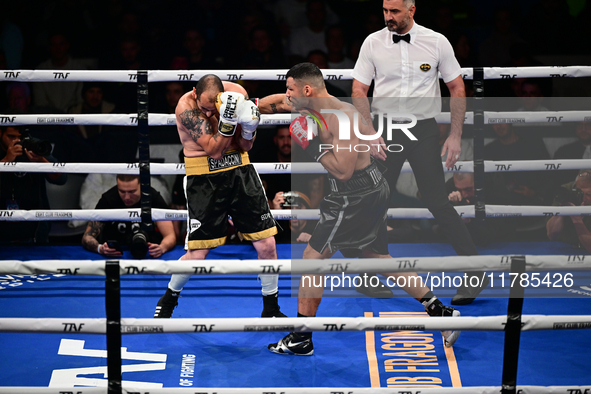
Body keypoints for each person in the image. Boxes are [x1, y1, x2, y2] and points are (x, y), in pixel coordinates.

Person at [259, 62, 460, 356]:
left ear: (307, 90)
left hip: (354, 194)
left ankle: (301, 338)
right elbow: (273, 103)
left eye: (291, 90)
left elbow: (343, 172)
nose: (287, 96)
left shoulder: (341, 117)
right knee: (376, 256)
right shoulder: (308, 104)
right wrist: (249, 106)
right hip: (369, 189)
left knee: (312, 258)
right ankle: (440, 312)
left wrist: (311, 144)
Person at [350, 0, 486, 305]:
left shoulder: (436, 42)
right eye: (385, 11)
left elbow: (457, 87)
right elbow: (359, 89)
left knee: (437, 201)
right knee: (375, 201)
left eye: (395, 11)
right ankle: (371, 273)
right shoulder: (373, 42)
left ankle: (476, 272)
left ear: (412, 9)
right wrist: (370, 132)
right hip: (385, 129)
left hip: (423, 129)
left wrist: (455, 135)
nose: (388, 17)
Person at [153, 74, 284, 319]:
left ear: (223, 95)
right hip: (204, 178)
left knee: (267, 244)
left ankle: (271, 308)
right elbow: (214, 151)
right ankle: (170, 296)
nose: (209, 113)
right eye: (205, 108)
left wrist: (248, 126)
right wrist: (228, 118)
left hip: (240, 171)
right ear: (194, 94)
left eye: (214, 108)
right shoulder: (186, 107)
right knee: (199, 252)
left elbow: (245, 147)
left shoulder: (236, 93)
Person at [0, 125, 67, 244]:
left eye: (19, 137)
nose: (16, 141)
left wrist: (41, 160)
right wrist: (5, 161)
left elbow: (61, 178)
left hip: (34, 229)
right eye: (11, 137)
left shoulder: (33, 145)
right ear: (0, 133)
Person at [81, 174, 175, 259]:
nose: (126, 197)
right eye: (122, 191)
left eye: (132, 192)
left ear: (141, 185)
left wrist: (162, 248)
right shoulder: (108, 200)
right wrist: (100, 248)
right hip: (115, 255)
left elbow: (170, 235)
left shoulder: (152, 197)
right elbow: (87, 236)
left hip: (146, 253)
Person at [546, 169, 591, 252]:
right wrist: (563, 209)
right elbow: (551, 234)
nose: (583, 198)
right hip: (563, 246)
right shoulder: (565, 191)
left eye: (589, 194)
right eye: (579, 192)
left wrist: (577, 219)